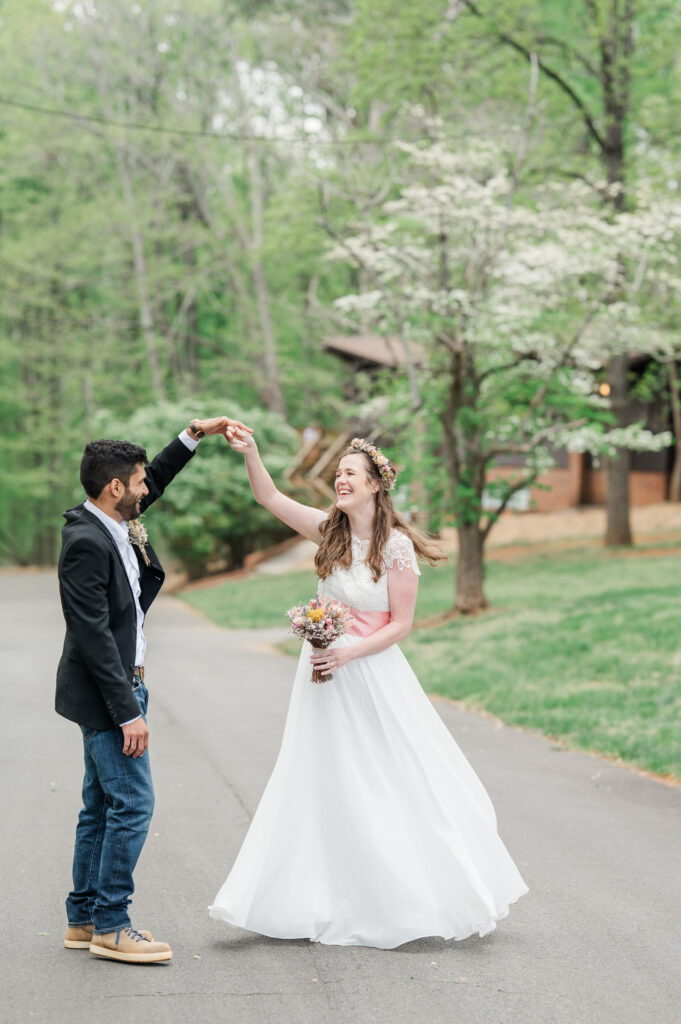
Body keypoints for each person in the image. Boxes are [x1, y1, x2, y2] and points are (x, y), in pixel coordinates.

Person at [209, 433, 528, 948]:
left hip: (371, 674)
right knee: (320, 776)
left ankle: (403, 895)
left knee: (384, 776)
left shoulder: (396, 547)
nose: (341, 478)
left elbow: (400, 624)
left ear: (376, 485)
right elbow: (268, 497)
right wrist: (251, 453)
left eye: (351, 472)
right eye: (339, 471)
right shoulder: (327, 532)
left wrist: (349, 651)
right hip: (321, 679)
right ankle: (315, 895)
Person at [57, 414, 251, 964]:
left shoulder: (115, 522)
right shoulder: (86, 543)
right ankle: (113, 925)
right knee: (133, 805)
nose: (148, 488)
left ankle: (84, 916)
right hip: (110, 694)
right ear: (115, 487)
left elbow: (155, 480)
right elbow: (91, 636)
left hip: (118, 689)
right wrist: (127, 713)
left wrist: (194, 433)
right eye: (139, 481)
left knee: (100, 805)